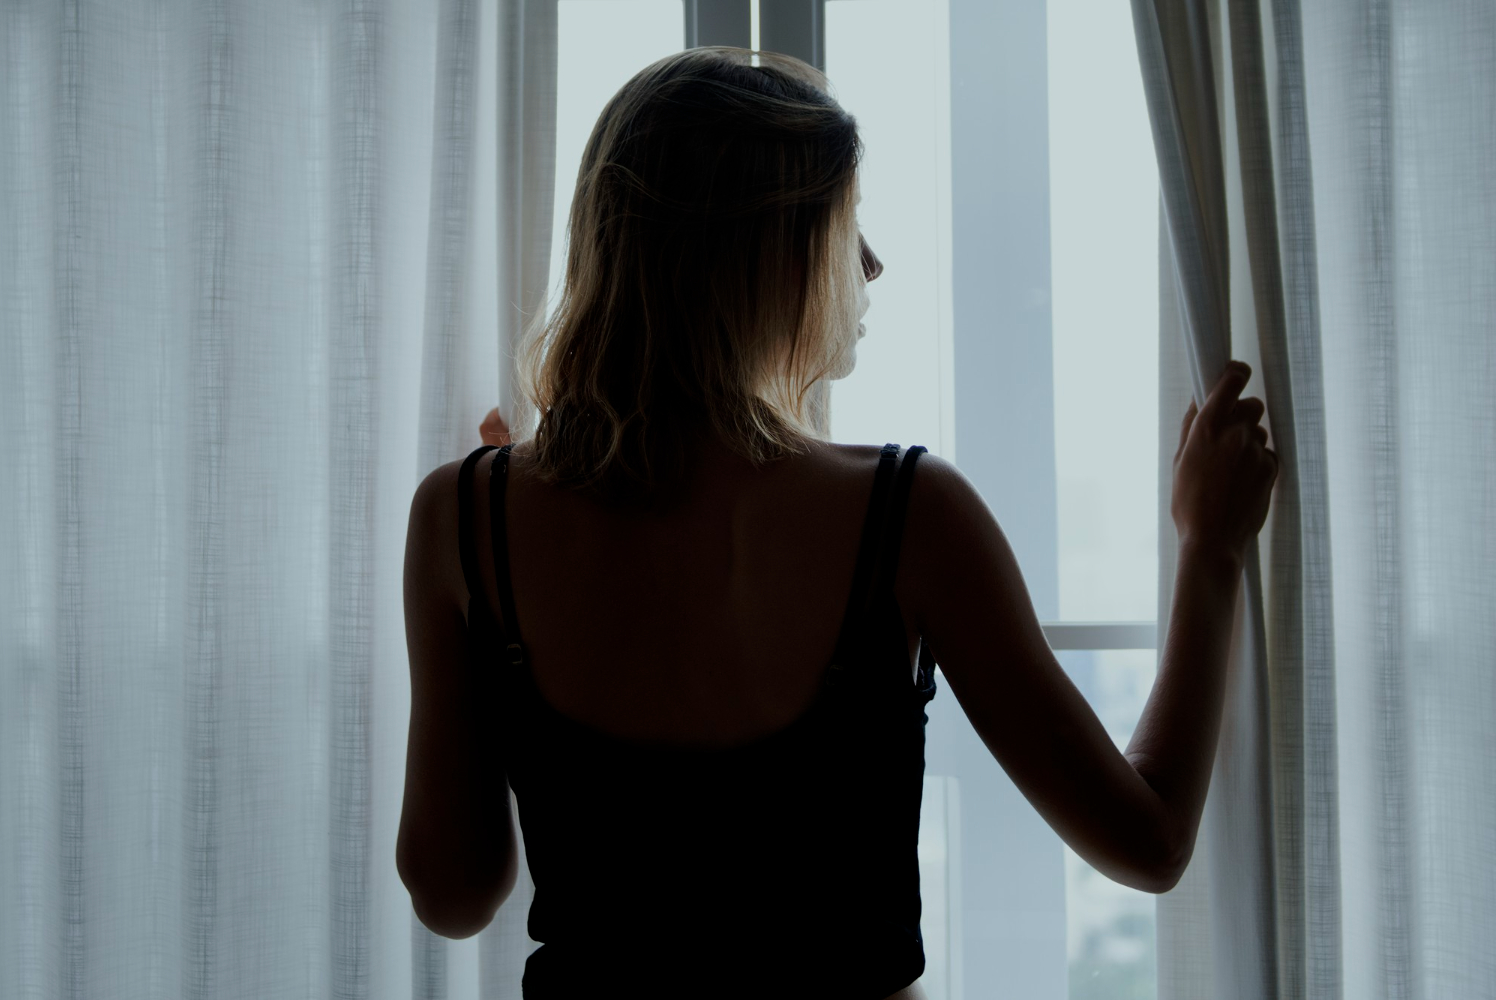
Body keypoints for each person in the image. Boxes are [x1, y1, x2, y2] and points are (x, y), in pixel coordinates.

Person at [396, 46, 1277, 999]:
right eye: (842, 226)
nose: (871, 263)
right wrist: (1212, 550)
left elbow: (454, 895)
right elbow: (1148, 841)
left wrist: (506, 574)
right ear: (763, 257)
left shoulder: (464, 514)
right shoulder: (910, 514)